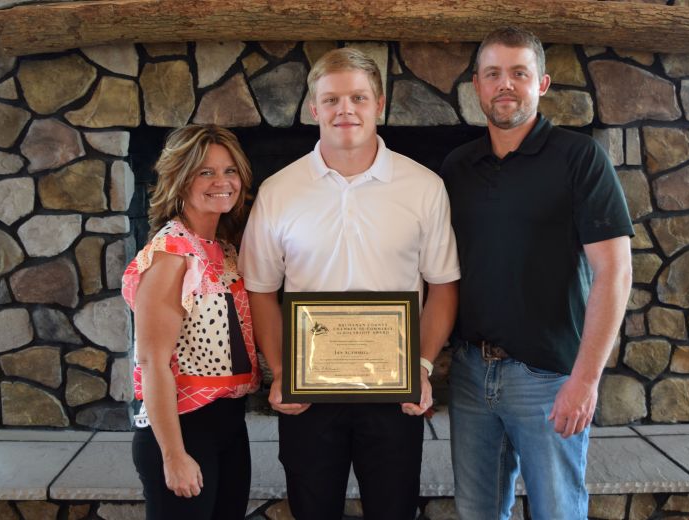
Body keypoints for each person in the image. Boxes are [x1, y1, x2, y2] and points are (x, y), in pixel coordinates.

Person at [239, 48, 460, 520]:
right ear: (314, 109)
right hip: (309, 393)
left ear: (379, 104)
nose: (346, 110)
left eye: (358, 97)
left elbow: (443, 285)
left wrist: (420, 366)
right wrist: (281, 371)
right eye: (332, 99)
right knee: (312, 509)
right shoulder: (279, 190)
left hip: (394, 391)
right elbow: (259, 288)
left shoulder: (424, 187)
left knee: (394, 509)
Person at [441, 27, 633, 520]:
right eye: (493, 74)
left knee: (558, 511)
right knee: (477, 513)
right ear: (477, 86)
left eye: (518, 73)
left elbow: (614, 272)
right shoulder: (457, 167)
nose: (505, 85)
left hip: (548, 379)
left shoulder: (580, 158)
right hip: (469, 373)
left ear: (541, 83)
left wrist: (585, 380)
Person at [121, 124, 260, 520]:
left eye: (230, 171)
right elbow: (151, 362)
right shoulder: (171, 253)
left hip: (229, 424)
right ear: (181, 180)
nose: (222, 181)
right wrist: (174, 455)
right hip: (183, 428)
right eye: (206, 172)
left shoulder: (224, 251)